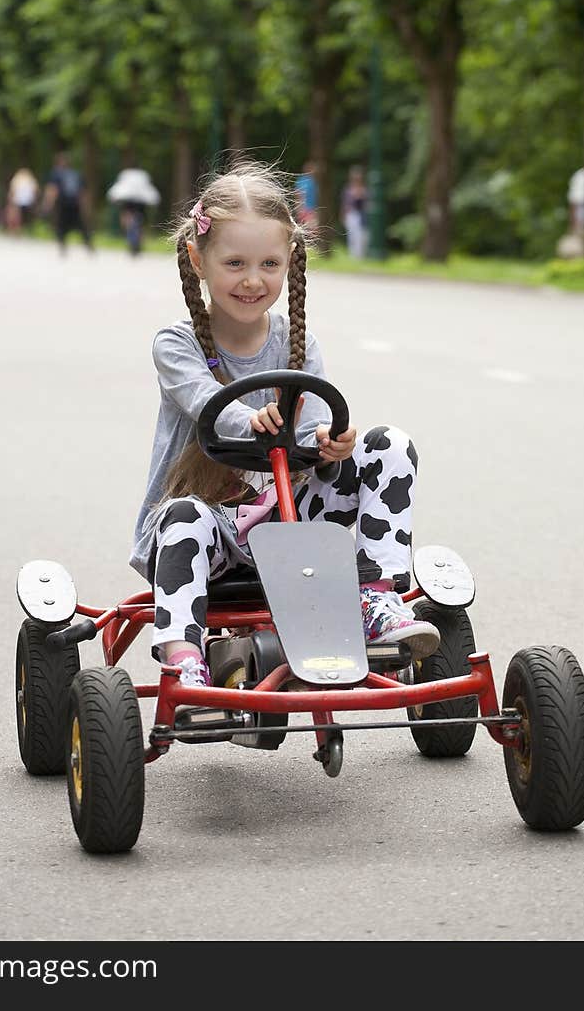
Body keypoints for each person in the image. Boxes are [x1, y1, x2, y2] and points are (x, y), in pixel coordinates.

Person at [129, 159, 439, 699]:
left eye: (269, 263)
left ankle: (376, 596)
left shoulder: (299, 341)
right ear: (199, 260)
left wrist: (331, 443)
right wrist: (246, 420)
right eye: (235, 263)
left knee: (389, 444)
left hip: (291, 516)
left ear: (290, 261)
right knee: (182, 518)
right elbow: (204, 403)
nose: (253, 280)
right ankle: (184, 659)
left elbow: (318, 426)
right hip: (212, 528)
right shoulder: (176, 344)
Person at [42, 151, 93, 255]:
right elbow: (83, 192)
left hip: (63, 204)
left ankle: (63, 247)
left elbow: (52, 190)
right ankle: (88, 245)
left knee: (61, 226)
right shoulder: (76, 174)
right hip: (75, 204)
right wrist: (86, 207)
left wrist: (47, 205)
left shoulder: (56, 174)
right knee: (81, 225)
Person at [341, 165, 369, 260]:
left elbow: (367, 203)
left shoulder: (364, 189)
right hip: (351, 214)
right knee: (351, 236)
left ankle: (360, 256)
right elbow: (345, 203)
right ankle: (353, 256)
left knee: (361, 236)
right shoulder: (348, 189)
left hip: (361, 215)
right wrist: (343, 214)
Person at [6, 167, 40, 233]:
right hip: (28, 201)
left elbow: (12, 190)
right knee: (18, 214)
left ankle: (14, 228)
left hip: (18, 199)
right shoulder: (31, 179)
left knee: (15, 214)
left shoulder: (17, 178)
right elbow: (36, 190)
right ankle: (18, 228)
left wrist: (10, 198)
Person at [294, 160, 319, 239]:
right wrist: (299, 207)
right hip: (306, 208)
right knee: (309, 228)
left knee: (312, 228)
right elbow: (299, 194)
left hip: (311, 208)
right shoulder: (304, 181)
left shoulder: (312, 181)